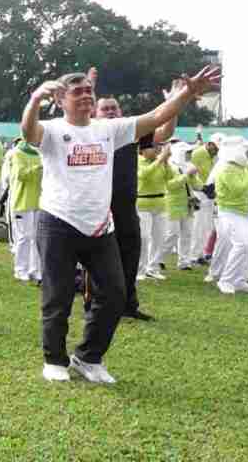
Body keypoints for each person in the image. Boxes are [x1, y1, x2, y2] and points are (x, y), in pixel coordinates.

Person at [21, 66, 220, 384]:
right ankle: (54, 359)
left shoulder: (109, 129)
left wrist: (187, 93)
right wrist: (33, 101)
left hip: (100, 226)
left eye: (89, 90)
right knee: (57, 296)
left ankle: (88, 357)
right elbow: (29, 133)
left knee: (115, 293)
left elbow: (156, 118)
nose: (86, 94)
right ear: (60, 99)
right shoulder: (52, 129)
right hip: (58, 222)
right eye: (77, 91)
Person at [94, 88, 180, 323]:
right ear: (95, 112)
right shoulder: (90, 132)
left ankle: (128, 306)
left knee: (131, 255)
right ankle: (95, 305)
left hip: (127, 206)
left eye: (114, 108)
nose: (111, 111)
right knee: (98, 259)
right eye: (105, 108)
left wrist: (172, 104)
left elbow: (164, 132)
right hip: (97, 207)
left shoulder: (130, 131)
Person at [204, 137, 248, 294]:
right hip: (229, 212)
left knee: (247, 247)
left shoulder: (241, 168)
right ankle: (226, 279)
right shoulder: (225, 169)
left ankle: (239, 279)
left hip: (242, 213)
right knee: (241, 245)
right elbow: (238, 189)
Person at [162, 142, 201, 272]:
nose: (190, 155)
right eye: (187, 153)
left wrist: (196, 178)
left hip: (187, 204)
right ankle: (159, 259)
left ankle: (184, 262)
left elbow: (196, 185)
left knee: (187, 234)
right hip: (173, 204)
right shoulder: (170, 166)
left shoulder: (189, 166)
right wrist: (186, 175)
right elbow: (171, 186)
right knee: (171, 234)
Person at [136, 140, 170, 281]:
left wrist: (166, 162)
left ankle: (153, 267)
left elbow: (171, 177)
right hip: (143, 204)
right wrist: (160, 160)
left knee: (160, 237)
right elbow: (144, 175)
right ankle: (140, 269)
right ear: (143, 150)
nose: (157, 150)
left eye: (158, 147)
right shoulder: (138, 161)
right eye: (153, 147)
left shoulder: (160, 162)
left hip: (160, 204)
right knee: (144, 237)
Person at [10, 139, 43, 282]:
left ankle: (34, 270)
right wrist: (38, 167)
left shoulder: (41, 153)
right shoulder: (18, 152)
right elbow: (20, 175)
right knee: (24, 236)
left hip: (39, 201)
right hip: (22, 201)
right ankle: (20, 269)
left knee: (37, 238)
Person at [190, 133, 220, 263]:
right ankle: (194, 255)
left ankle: (201, 254)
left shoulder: (214, 156)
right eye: (216, 148)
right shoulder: (198, 154)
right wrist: (203, 188)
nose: (217, 151)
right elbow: (193, 174)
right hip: (199, 191)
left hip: (208, 192)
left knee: (206, 225)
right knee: (198, 225)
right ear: (210, 143)